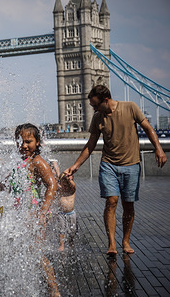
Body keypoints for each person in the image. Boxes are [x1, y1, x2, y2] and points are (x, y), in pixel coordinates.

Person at [64, 85, 167, 255]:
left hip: (131, 164)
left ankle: (125, 241)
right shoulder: (98, 117)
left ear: (106, 100)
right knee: (111, 201)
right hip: (109, 164)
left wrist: (159, 149)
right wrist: (75, 166)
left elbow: (148, 128)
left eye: (96, 105)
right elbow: (90, 144)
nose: (94, 109)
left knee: (128, 205)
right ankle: (112, 243)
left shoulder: (130, 107)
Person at [0, 123, 59, 296]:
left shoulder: (37, 161)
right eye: (20, 141)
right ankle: (20, 284)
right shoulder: (21, 162)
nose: (24, 145)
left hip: (35, 215)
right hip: (21, 214)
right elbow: (9, 181)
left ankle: (53, 290)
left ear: (38, 142)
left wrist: (42, 212)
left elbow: (52, 185)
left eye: (28, 141)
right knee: (17, 249)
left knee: (36, 253)